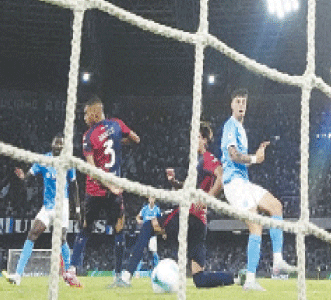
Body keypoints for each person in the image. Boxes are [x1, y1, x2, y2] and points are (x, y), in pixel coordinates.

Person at [121, 123, 234, 288]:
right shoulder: (197, 163)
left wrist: (207, 199)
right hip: (199, 224)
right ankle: (235, 278)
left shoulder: (207, 158)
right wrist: (174, 182)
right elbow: (186, 190)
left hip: (188, 216)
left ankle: (126, 276)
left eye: (196, 137)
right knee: (200, 279)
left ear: (204, 140)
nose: (192, 141)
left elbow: (221, 176)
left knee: (147, 226)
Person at [221, 88, 296, 291]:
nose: (241, 105)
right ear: (231, 105)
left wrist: (257, 154)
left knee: (276, 206)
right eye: (238, 101)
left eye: (244, 102)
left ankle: (278, 262)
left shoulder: (240, 129)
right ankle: (250, 280)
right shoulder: (230, 126)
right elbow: (233, 155)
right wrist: (255, 158)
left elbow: (241, 159)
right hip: (234, 184)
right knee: (256, 224)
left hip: (243, 182)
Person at [70, 96, 140, 288]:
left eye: (86, 114)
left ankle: (71, 271)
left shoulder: (88, 135)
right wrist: (116, 140)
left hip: (95, 190)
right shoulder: (117, 124)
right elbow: (135, 138)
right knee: (119, 230)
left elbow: (92, 169)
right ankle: (118, 278)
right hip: (114, 189)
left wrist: (108, 185)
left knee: (85, 229)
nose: (84, 118)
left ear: (94, 113)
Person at [2, 134, 81, 287]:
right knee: (32, 233)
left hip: (62, 205)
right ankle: (17, 275)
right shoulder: (44, 160)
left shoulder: (68, 162)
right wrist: (23, 177)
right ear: (52, 145)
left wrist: (77, 208)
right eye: (56, 144)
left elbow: (74, 185)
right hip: (47, 206)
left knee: (61, 239)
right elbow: (29, 177)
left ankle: (69, 275)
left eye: (60, 144)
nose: (57, 146)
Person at [135, 196, 161, 270]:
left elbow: (160, 219)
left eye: (153, 198)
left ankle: (157, 269)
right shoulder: (145, 208)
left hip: (152, 233)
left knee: (154, 252)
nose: (152, 200)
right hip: (144, 232)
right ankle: (137, 271)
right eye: (150, 198)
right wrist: (139, 221)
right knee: (141, 251)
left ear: (155, 199)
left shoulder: (157, 209)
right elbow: (137, 217)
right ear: (149, 199)